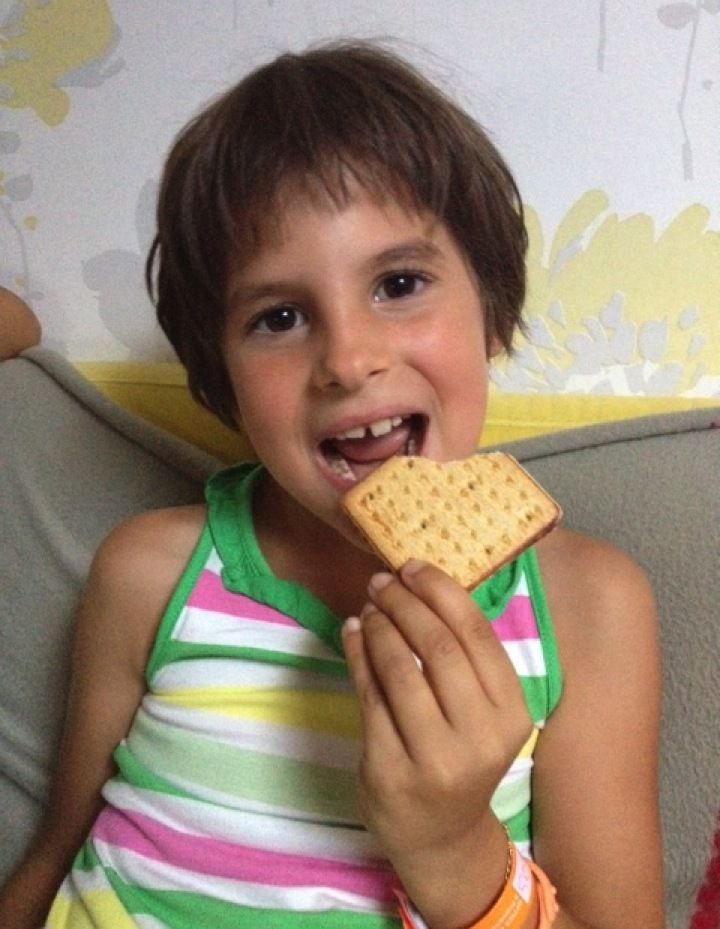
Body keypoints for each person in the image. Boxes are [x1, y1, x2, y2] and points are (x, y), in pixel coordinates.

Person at [0, 41, 664, 929]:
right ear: (223, 378)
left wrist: (453, 849)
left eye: (399, 283)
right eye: (279, 316)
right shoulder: (148, 574)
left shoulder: (587, 611)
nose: (349, 359)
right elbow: (57, 852)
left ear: (493, 311)